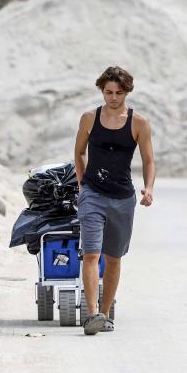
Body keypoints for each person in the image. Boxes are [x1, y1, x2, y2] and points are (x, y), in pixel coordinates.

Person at [74, 66, 155, 335]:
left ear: (127, 92)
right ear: (101, 91)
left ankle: (105, 313)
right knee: (91, 254)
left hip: (123, 198)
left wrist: (149, 188)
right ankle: (92, 314)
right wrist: (83, 183)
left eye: (119, 92)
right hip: (93, 195)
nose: (113, 97)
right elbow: (79, 152)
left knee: (113, 258)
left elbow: (148, 159)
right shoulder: (89, 118)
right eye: (108, 92)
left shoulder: (138, 123)